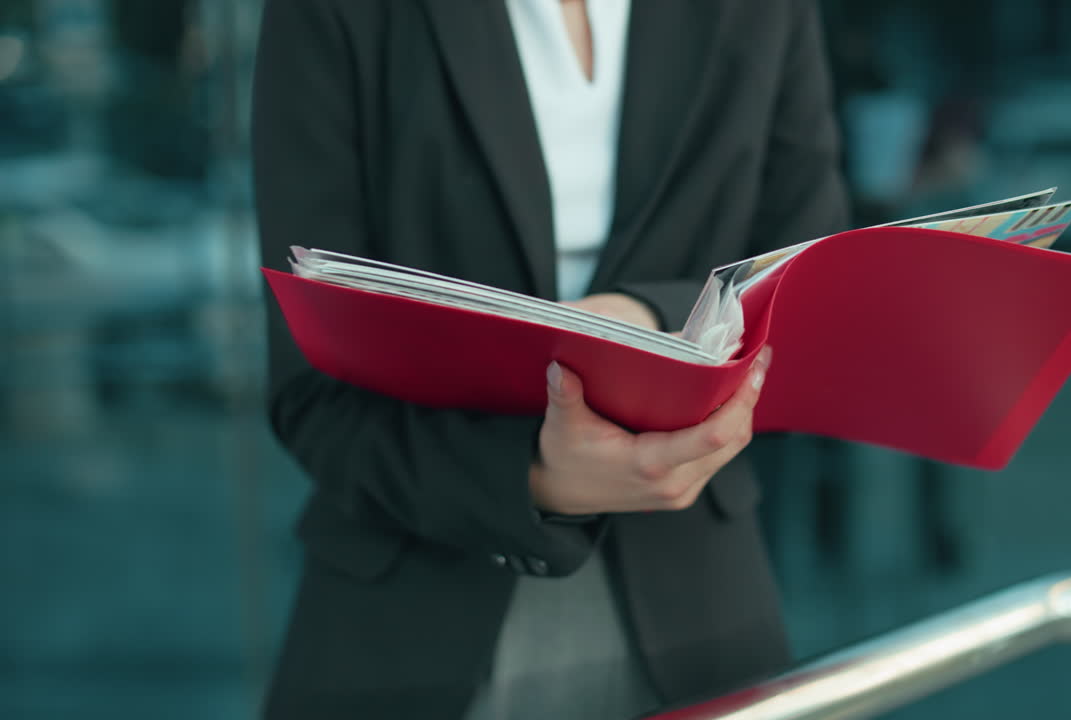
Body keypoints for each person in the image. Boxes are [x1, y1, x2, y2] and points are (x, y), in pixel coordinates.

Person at [252, 1, 848, 718]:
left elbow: (810, 283)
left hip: (700, 608)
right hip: (410, 612)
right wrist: (532, 478)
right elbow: (312, 391)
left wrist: (650, 322)